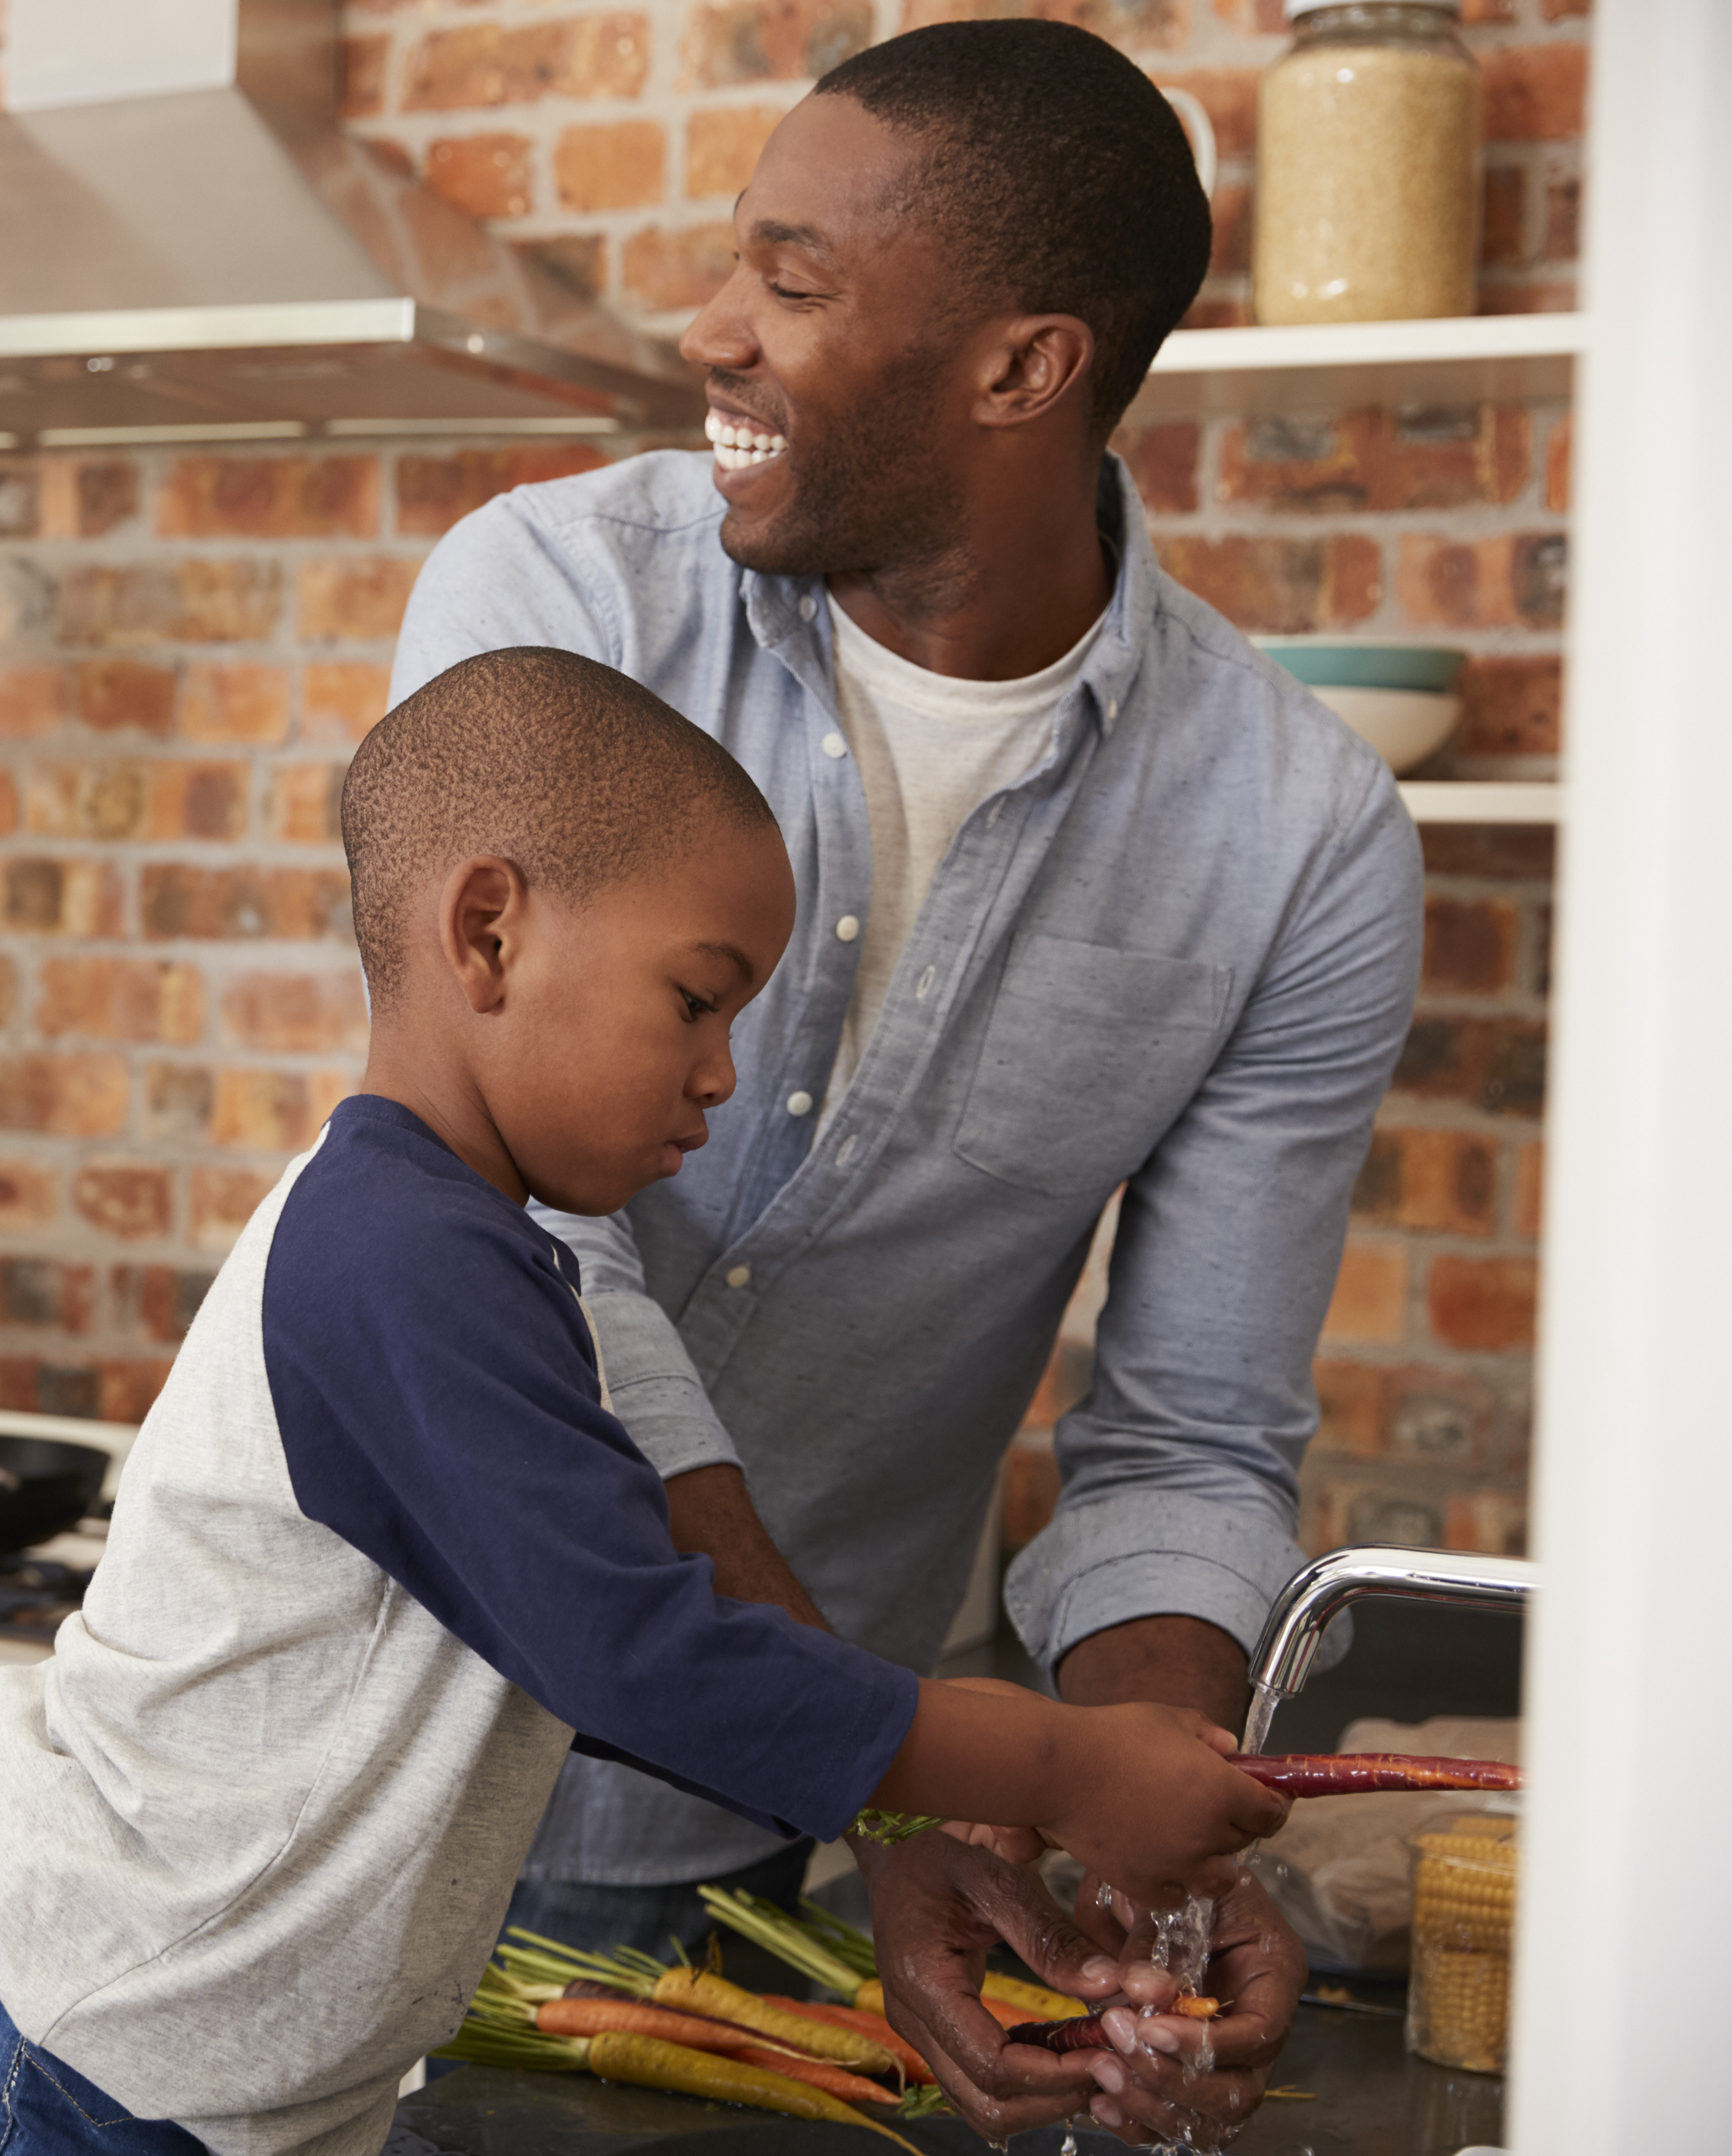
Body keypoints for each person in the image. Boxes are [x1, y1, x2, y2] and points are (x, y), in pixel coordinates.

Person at [388, 20, 1423, 2146]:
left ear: (1022, 369)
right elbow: (522, 1249)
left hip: (812, 1863)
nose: (710, 329)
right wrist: (889, 1756)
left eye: (790, 278)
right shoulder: (561, 608)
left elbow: (1190, 1432)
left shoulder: (1298, 836)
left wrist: (1137, 1822)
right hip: (389, 1788)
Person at [0, 647, 1290, 2156]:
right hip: (100, 2038)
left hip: (230, 2062)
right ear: (487, 931)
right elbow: (639, 1654)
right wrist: (1063, 1763)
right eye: (696, 1001)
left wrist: (909, 1811)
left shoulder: (473, 1251)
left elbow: (608, 1627)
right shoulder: (397, 1256)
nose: (721, 1075)